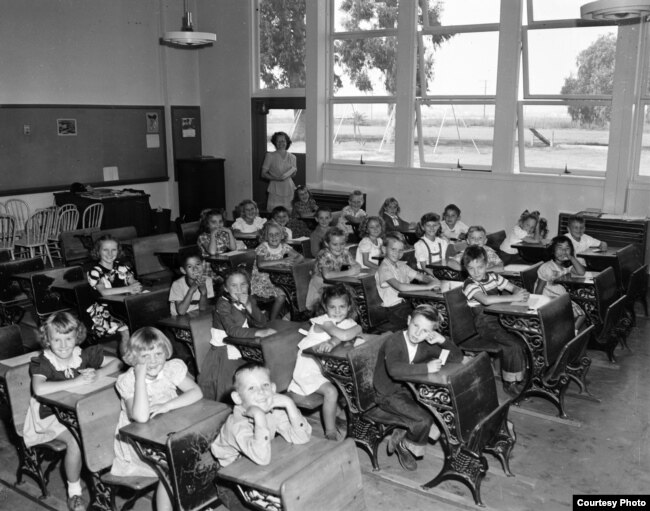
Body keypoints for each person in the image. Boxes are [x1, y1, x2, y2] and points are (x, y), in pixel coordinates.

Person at [24, 312, 121, 511]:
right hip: (49, 417)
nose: (63, 345)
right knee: (77, 440)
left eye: (68, 338)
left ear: (76, 337)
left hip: (78, 412)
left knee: (110, 424)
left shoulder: (81, 354)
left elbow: (118, 362)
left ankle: (106, 474)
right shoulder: (44, 361)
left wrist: (98, 374)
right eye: (56, 339)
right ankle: (74, 492)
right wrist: (76, 381)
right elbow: (39, 389)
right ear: (47, 340)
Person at [111, 327, 202, 511]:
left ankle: (195, 501)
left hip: (167, 432)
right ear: (134, 358)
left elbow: (197, 392)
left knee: (201, 452)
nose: (153, 361)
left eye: (158, 354)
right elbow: (141, 417)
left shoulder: (170, 369)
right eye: (145, 356)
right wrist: (140, 377)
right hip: (139, 444)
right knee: (172, 468)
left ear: (165, 353)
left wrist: (166, 406)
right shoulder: (128, 381)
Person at [373, 305, 464, 471]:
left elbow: (457, 358)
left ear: (430, 333)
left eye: (424, 331)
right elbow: (394, 370)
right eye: (415, 326)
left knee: (441, 409)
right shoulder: (394, 341)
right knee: (424, 420)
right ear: (408, 320)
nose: (417, 333)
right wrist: (426, 368)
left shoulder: (426, 343)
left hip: (408, 390)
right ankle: (404, 444)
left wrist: (442, 340)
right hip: (387, 394)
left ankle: (405, 432)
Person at [211, 363, 312, 510]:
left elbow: (301, 438)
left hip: (258, 472)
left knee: (304, 490)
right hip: (233, 486)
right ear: (238, 398)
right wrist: (259, 417)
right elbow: (262, 458)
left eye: (265, 385)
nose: (261, 392)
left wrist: (289, 404)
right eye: (251, 388)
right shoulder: (236, 425)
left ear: (273, 388)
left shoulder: (273, 409)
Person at [288, 284, 361, 440]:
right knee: (331, 391)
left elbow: (354, 330)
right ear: (325, 308)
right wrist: (340, 337)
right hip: (308, 369)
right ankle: (330, 431)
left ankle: (340, 416)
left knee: (352, 382)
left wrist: (334, 342)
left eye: (342, 306)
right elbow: (346, 334)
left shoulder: (346, 321)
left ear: (349, 307)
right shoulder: (323, 321)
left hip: (327, 367)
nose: (337, 311)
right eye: (332, 307)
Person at [198, 268, 277, 402]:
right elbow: (232, 330)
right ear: (226, 288)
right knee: (234, 388)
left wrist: (248, 305)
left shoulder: (248, 299)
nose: (239, 289)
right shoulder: (223, 304)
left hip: (243, 344)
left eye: (243, 284)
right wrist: (258, 332)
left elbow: (262, 322)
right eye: (234, 285)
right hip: (225, 352)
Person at [462, 245, 528, 397]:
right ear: (466, 269)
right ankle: (510, 382)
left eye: (480, 267)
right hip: (484, 325)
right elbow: (485, 300)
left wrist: (519, 292)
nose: (476, 272)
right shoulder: (469, 284)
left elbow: (513, 288)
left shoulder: (494, 277)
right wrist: (513, 297)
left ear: (486, 265)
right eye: (471, 268)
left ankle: (520, 376)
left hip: (501, 319)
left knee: (523, 337)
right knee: (512, 344)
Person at [376, 232, 441, 332]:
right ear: (384, 249)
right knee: (424, 321)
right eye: (393, 249)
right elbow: (400, 287)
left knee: (432, 313)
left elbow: (421, 276)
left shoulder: (401, 265)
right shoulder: (384, 269)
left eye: (400, 250)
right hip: (394, 310)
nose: (397, 253)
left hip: (405, 305)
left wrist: (433, 281)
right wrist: (428, 287)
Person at [86, 235, 141, 345]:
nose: (110, 254)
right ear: (98, 251)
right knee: (126, 329)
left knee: (145, 319)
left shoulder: (122, 267)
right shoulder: (95, 271)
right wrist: (128, 288)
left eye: (113, 250)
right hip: (105, 311)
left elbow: (133, 281)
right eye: (105, 250)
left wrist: (135, 286)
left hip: (123, 305)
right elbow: (104, 292)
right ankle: (128, 359)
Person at [252, 221, 303, 320]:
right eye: (270, 234)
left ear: (282, 236)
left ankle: (290, 316)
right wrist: (282, 261)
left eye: (277, 234)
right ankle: (273, 320)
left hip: (279, 278)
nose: (274, 237)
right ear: (266, 236)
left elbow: (300, 256)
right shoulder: (263, 248)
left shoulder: (284, 246)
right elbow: (261, 264)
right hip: (263, 282)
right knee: (282, 295)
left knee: (296, 290)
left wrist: (292, 265)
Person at [535, 235, 587, 330]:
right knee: (576, 315)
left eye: (567, 248)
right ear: (552, 250)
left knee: (581, 315)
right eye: (559, 248)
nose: (563, 251)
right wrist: (537, 307)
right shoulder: (547, 268)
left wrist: (571, 257)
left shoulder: (566, 267)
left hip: (561, 298)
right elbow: (538, 291)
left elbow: (581, 272)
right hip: (549, 300)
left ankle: (571, 334)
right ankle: (568, 334)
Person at [306, 227, 361, 311]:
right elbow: (327, 275)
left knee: (353, 294)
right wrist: (349, 272)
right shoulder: (324, 254)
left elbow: (356, 265)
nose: (339, 247)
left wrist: (353, 267)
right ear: (327, 244)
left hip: (336, 283)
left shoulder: (345, 252)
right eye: (335, 244)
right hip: (321, 286)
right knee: (325, 309)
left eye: (342, 244)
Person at [168, 251, 214, 316]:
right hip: (179, 320)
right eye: (189, 266)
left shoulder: (207, 281)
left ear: (203, 264)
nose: (195, 269)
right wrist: (191, 290)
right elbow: (181, 312)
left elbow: (203, 308)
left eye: (198, 264)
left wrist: (204, 292)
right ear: (183, 270)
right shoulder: (177, 284)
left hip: (197, 315)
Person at [261, 131, 297, 211]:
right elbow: (263, 174)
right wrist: (276, 179)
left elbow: (293, 175)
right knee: (274, 212)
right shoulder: (270, 156)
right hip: (275, 188)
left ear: (287, 142)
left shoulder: (293, 157)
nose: (281, 143)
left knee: (289, 212)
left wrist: (293, 172)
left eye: (283, 141)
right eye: (278, 141)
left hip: (289, 188)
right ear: (275, 143)